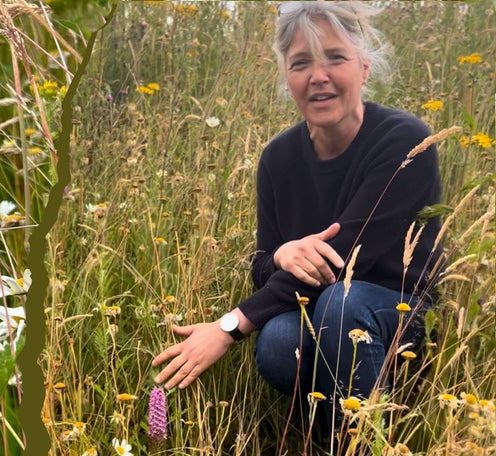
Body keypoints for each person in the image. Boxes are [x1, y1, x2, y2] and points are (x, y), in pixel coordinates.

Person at [150, 1, 444, 437]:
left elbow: (342, 261)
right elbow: (262, 268)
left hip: (398, 311)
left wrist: (228, 327)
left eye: (335, 58)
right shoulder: (278, 159)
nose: (317, 76)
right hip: (323, 313)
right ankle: (325, 430)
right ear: (288, 79)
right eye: (301, 63)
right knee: (278, 343)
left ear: (364, 68)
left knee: (341, 305)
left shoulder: (405, 142)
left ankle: (361, 440)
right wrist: (283, 255)